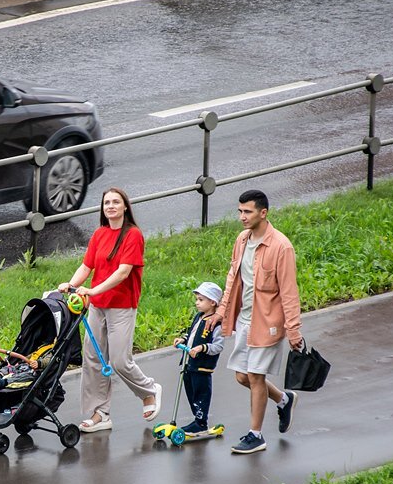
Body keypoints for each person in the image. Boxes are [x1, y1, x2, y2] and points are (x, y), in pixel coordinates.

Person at [58, 187, 162, 433]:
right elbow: (86, 267)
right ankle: (100, 414)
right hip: (98, 307)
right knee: (93, 360)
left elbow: (123, 272)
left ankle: (149, 391)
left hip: (122, 305)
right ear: (103, 208)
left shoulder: (133, 235)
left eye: (116, 202)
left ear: (125, 206)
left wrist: (93, 291)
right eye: (107, 203)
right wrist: (72, 285)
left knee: (118, 360)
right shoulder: (99, 234)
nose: (111, 206)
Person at [206, 189, 302, 454]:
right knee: (241, 377)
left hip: (268, 322)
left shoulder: (281, 247)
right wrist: (221, 313)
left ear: (263, 213)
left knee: (255, 377)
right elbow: (232, 279)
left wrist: (293, 331)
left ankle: (255, 435)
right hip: (245, 320)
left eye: (247, 212)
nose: (242, 217)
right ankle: (284, 400)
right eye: (240, 211)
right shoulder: (242, 240)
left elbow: (289, 293)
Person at [173, 281, 225, 436]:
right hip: (189, 364)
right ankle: (197, 419)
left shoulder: (216, 324)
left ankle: (201, 423)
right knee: (191, 392)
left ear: (213, 302)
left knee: (201, 393)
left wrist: (202, 348)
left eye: (201, 300)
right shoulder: (199, 317)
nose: (197, 302)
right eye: (197, 299)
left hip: (202, 366)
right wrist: (183, 340)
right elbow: (192, 334)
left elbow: (218, 346)